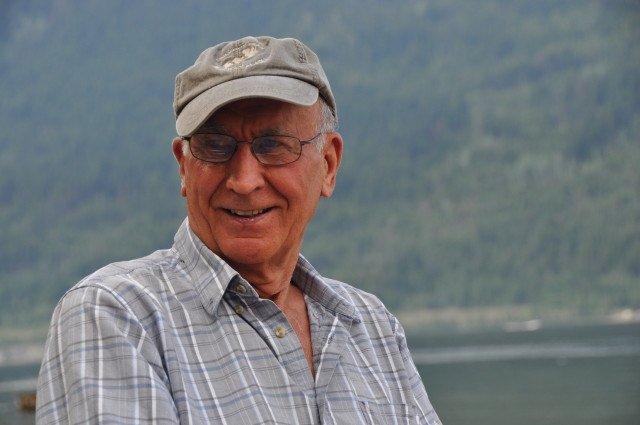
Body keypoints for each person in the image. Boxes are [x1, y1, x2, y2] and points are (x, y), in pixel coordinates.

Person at [36, 36, 441, 424]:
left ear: (329, 165)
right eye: (215, 146)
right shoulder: (119, 314)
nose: (244, 180)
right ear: (183, 166)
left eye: (274, 145)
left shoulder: (372, 327)